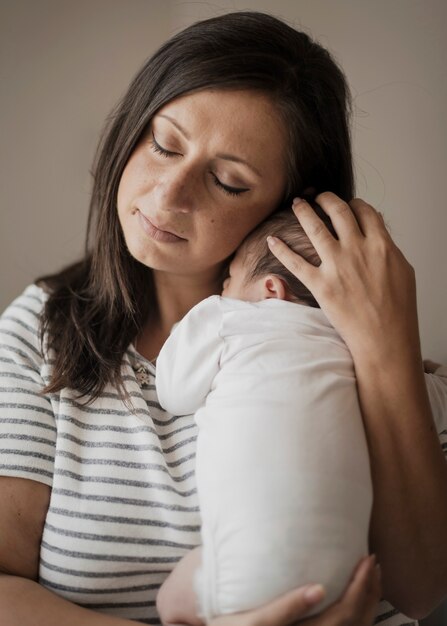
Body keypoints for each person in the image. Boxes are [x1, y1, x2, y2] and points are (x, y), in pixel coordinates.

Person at [0, 10, 446, 626]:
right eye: (163, 143)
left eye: (229, 182)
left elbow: (421, 589)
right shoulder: (42, 330)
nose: (168, 194)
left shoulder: (339, 342)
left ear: (287, 209)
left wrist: (386, 344)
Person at [154, 208, 374, 625]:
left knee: (171, 603)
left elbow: (173, 392)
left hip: (242, 582)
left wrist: (204, 314)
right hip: (343, 584)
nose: (224, 287)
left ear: (271, 288)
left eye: (230, 278)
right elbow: (431, 405)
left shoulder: (231, 318)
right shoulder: (360, 356)